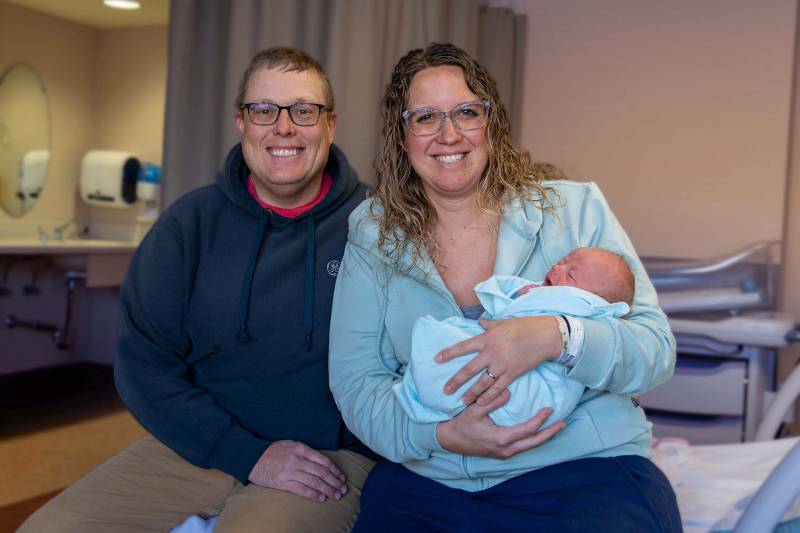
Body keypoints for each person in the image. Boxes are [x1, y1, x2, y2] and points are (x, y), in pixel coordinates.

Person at [328, 43, 682, 532]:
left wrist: (556, 337)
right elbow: (357, 384)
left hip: (582, 469)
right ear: (400, 134)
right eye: (426, 117)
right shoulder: (373, 232)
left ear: (491, 123)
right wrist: (444, 434)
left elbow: (654, 351)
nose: (449, 134)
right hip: (435, 475)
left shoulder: (574, 209)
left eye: (466, 112)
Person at [21, 47, 375, 533]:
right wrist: (245, 453)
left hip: (326, 458)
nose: (284, 127)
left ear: (330, 126)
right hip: (200, 446)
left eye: (304, 110)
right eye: (264, 110)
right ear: (241, 123)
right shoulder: (187, 227)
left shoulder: (378, 225)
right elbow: (144, 366)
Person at [395, 246, 635, 428]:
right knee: (454, 346)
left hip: (542, 391)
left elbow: (502, 314)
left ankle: (431, 383)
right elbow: (503, 311)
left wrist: (549, 329)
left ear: (595, 300)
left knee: (440, 340)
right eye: (562, 261)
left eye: (571, 275)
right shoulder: (544, 293)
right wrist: (519, 294)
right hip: (519, 394)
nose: (557, 268)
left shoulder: (585, 308)